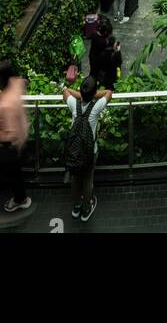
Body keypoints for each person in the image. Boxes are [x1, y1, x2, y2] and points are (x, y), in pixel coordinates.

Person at [63, 76, 112, 223]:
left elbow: (65, 91)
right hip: (90, 151)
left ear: (81, 90)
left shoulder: (74, 104)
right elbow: (109, 92)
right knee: (88, 180)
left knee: (75, 179)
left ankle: (76, 207)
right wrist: (92, 94)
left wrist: (81, 94)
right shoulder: (95, 108)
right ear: (94, 92)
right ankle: (86, 209)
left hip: (74, 151)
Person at [0, 61, 31, 216]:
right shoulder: (17, 84)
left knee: (13, 173)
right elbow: (24, 82)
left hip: (13, 145)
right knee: (15, 173)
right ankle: (20, 196)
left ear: (1, 79)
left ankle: (20, 200)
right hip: (23, 135)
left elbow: (10, 134)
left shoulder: (6, 105)